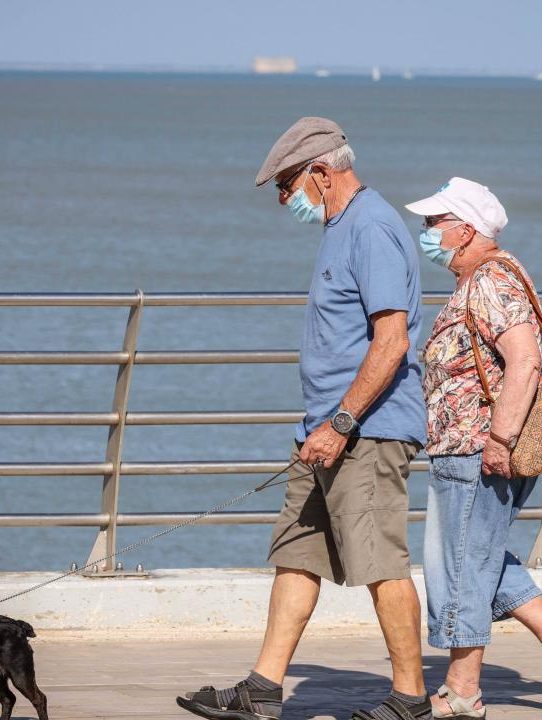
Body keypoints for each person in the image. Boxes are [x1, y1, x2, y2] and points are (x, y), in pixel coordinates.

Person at [175, 117, 430, 720]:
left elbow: (392, 341)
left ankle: (411, 698)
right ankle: (262, 690)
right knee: (297, 553)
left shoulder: (371, 227)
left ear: (321, 172)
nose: (284, 200)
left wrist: (341, 423)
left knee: (380, 563)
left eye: (286, 186)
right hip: (323, 431)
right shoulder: (340, 227)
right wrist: (324, 423)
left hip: (365, 432)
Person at [404, 178, 542, 717]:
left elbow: (526, 361)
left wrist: (500, 438)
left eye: (434, 223)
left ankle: (463, 690)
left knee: (464, 565)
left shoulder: (491, 280)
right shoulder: (480, 280)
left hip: (479, 451)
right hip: (467, 450)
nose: (426, 231)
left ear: (465, 230)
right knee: (473, 557)